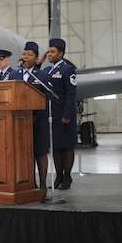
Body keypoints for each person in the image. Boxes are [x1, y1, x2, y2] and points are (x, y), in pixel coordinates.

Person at [8, 41, 50, 191]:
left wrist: (35, 117)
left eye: (30, 54)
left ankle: (43, 184)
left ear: (36, 58)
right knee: (24, 155)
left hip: (38, 123)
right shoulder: (13, 75)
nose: (26, 57)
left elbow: (45, 99)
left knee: (40, 153)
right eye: (24, 54)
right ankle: (29, 183)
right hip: (19, 123)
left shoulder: (43, 76)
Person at [39, 38, 77, 189]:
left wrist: (67, 115)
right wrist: (40, 61)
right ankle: (59, 176)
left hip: (64, 115)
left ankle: (67, 177)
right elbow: (37, 77)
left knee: (66, 146)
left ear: (61, 54)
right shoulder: (48, 70)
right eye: (49, 51)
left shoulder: (68, 70)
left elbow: (71, 94)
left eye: (53, 52)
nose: (50, 54)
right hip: (51, 116)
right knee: (55, 147)